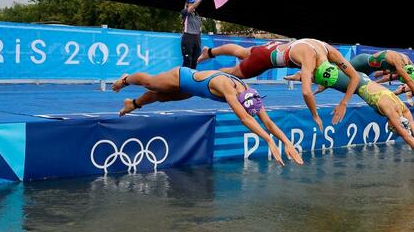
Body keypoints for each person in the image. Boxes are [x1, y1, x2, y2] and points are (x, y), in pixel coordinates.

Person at [111, 67, 303, 166]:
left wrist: (286, 142)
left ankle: (132, 104)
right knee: (151, 84)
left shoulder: (250, 93)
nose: (244, 110)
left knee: (160, 98)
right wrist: (268, 141)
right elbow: (245, 119)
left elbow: (266, 121)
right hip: (181, 76)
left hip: (191, 90)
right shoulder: (227, 87)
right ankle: (125, 79)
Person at [290, 64, 414, 167]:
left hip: (364, 80)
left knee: (328, 76)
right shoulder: (391, 111)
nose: (389, 128)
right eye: (392, 129)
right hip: (358, 83)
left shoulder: (404, 110)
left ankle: (306, 75)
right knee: (326, 76)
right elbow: (408, 137)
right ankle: (300, 73)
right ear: (396, 124)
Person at [196, 38, 362, 130]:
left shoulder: (329, 51)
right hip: (264, 60)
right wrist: (315, 115)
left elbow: (354, 77)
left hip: (272, 47)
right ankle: (200, 76)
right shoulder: (309, 60)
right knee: (233, 73)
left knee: (242, 52)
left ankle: (209, 52)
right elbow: (306, 92)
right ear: (316, 70)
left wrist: (344, 102)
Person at [181, 0, 207, 69]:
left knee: (195, 61)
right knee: (187, 60)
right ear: (187, 4)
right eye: (191, 3)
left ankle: (192, 78)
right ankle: (184, 78)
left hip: (197, 38)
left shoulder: (198, 15)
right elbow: (192, 7)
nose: (193, 4)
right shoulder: (185, 12)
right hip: (188, 37)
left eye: (194, 2)